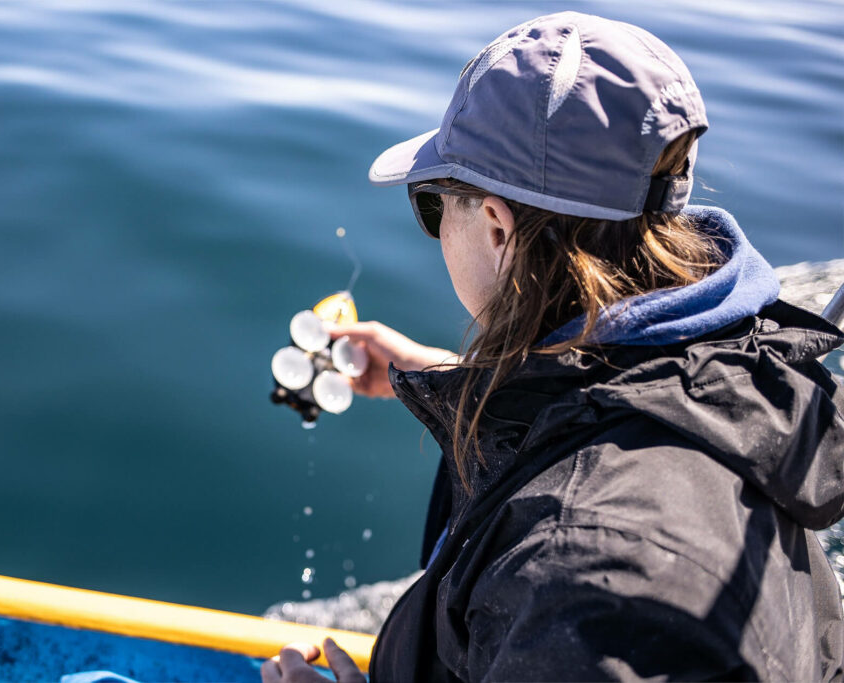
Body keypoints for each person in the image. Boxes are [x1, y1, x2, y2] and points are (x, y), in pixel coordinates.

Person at [261, 10, 844, 683]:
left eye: (433, 203)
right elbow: (629, 407)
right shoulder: (742, 372)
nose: (433, 224)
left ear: (497, 228)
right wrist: (454, 377)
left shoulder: (588, 567)